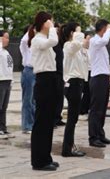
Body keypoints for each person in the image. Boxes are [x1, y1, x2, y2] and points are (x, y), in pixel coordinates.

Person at [29, 11, 60, 171]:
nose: (52, 24)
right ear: (44, 22)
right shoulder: (37, 40)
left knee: (48, 122)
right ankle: (38, 161)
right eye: (49, 21)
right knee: (41, 122)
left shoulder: (44, 40)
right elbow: (54, 40)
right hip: (43, 81)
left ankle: (46, 157)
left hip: (51, 79)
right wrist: (51, 26)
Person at [61, 23, 89, 157]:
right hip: (72, 84)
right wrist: (78, 31)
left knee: (74, 118)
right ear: (72, 33)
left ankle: (69, 146)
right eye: (78, 31)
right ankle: (67, 148)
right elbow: (76, 44)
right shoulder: (68, 46)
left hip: (78, 83)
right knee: (72, 119)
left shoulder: (75, 48)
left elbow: (84, 62)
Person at [88, 19, 110, 148]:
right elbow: (105, 40)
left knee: (102, 108)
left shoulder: (101, 44)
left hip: (103, 76)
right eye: (107, 28)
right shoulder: (95, 41)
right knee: (96, 109)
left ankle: (100, 134)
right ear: (103, 28)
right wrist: (109, 29)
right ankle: (93, 137)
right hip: (97, 77)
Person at [19, 25, 35, 134]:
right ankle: (27, 125)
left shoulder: (35, 44)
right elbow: (24, 40)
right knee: (28, 100)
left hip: (37, 70)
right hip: (29, 71)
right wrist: (32, 29)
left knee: (34, 100)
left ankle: (33, 123)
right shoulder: (25, 44)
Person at [0, 30, 14, 139]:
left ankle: (3, 128)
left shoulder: (6, 52)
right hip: (1, 80)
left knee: (4, 107)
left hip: (7, 80)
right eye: (5, 37)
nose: (7, 40)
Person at [54, 24, 66, 127]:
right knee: (55, 97)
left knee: (60, 98)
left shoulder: (60, 43)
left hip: (61, 72)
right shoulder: (52, 43)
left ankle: (58, 117)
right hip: (55, 73)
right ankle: (53, 119)